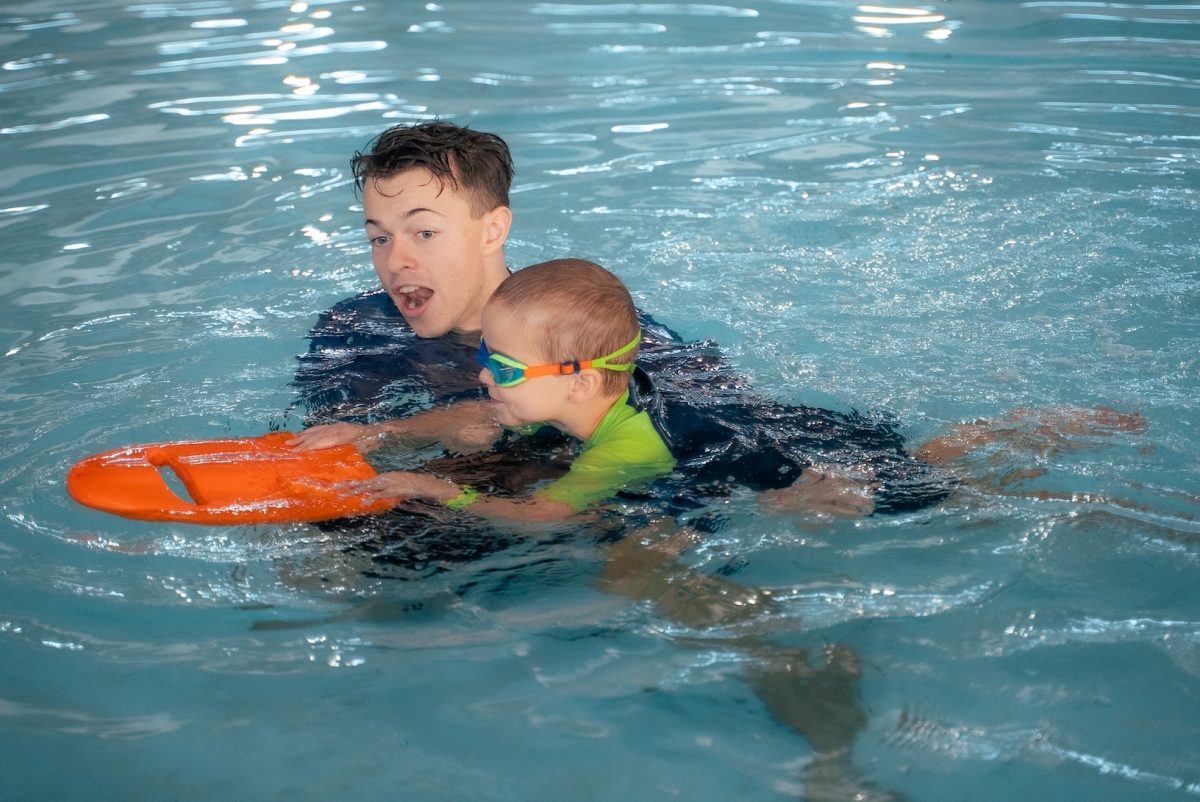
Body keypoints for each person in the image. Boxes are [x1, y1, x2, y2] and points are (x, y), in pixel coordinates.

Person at [298, 258, 676, 521]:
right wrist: (375, 434)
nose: (483, 376)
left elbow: (542, 516)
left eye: (504, 369)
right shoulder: (563, 401)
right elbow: (476, 413)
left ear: (580, 383)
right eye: (485, 353)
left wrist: (441, 490)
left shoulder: (625, 451)